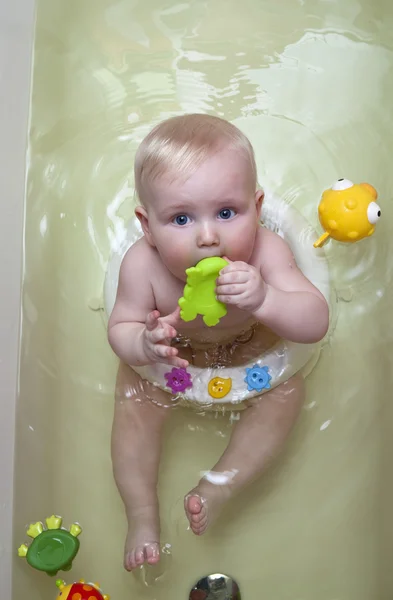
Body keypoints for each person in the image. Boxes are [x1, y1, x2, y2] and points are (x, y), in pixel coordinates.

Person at [108, 113, 329, 571]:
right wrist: (144, 344)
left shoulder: (268, 254)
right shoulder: (141, 267)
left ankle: (220, 483)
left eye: (227, 212)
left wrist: (266, 298)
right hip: (173, 357)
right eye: (181, 218)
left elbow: (315, 321)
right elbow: (120, 329)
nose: (208, 236)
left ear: (258, 206)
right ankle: (143, 514)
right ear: (147, 227)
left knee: (288, 394)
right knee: (133, 397)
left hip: (252, 345)